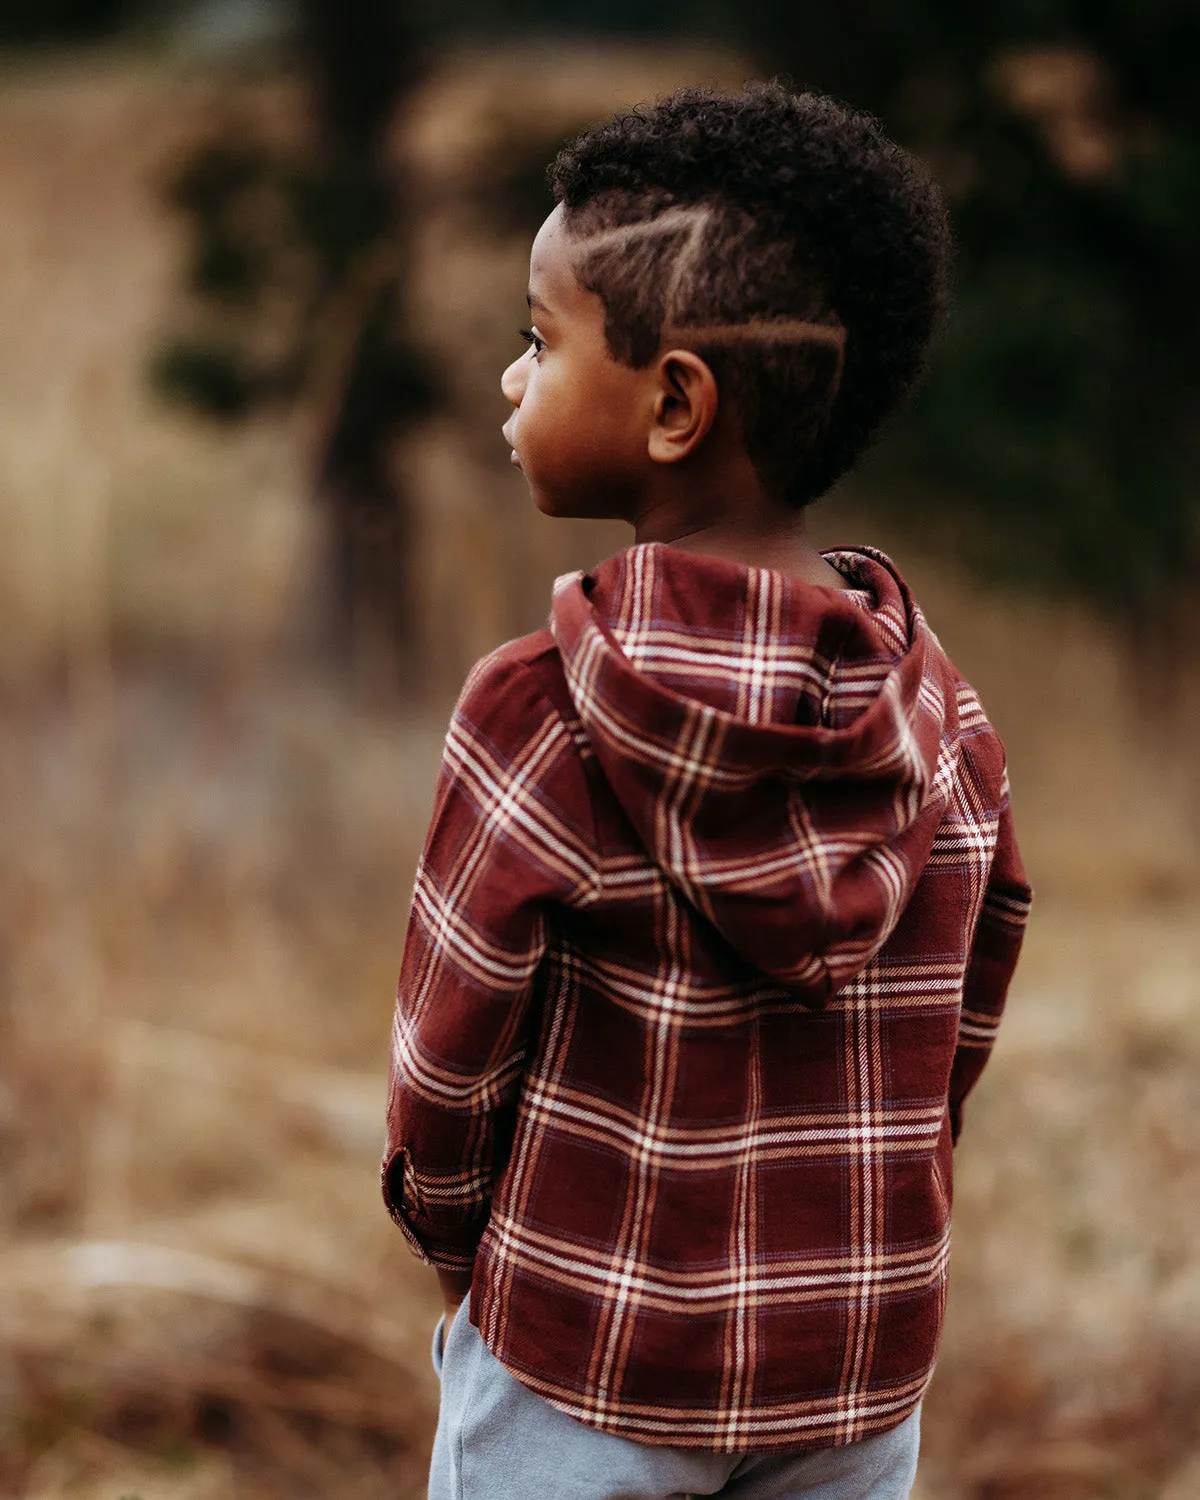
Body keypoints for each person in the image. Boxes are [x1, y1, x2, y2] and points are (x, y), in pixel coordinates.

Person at [382, 83, 1032, 1500]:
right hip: (852, 1377)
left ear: (674, 402)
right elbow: (958, 1039)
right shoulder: (944, 718)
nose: (512, 378)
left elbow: (445, 1074)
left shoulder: (537, 713)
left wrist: (458, 1261)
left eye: (540, 342)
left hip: (581, 1365)